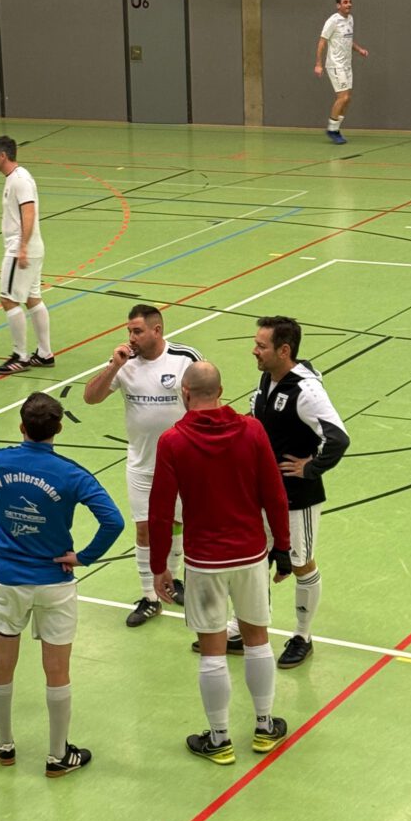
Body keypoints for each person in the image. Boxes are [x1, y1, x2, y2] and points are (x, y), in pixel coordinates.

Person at [149, 362, 292, 766]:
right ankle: (264, 727)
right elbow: (274, 494)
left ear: (185, 392)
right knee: (257, 638)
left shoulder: (172, 441)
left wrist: (160, 565)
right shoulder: (253, 430)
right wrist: (283, 548)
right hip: (250, 555)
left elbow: (160, 510)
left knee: (212, 650)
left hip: (204, 560)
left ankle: (220, 739)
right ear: (221, 390)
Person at [0, 393, 124, 776]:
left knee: (1, 665)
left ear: (21, 426)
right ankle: (58, 755)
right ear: (59, 428)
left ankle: (5, 745)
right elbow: (114, 521)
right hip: (55, 582)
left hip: (7, 581)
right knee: (57, 670)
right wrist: (85, 556)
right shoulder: (72, 475)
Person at [236, 315, 350, 669]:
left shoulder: (306, 391)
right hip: (261, 491)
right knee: (256, 557)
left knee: (301, 562)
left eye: (261, 346)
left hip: (297, 497)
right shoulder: (269, 377)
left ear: (284, 350)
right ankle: (249, 628)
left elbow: (338, 438)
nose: (254, 350)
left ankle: (303, 636)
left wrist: (310, 468)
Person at [83, 304, 202, 627]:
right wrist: (114, 367)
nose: (131, 337)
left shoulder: (185, 358)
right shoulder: (125, 363)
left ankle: (173, 579)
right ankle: (150, 597)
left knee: (178, 522)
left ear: (157, 330)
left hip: (183, 463)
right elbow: (91, 397)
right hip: (141, 462)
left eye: (137, 331)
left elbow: (206, 401)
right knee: (145, 528)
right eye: (129, 331)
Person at [0, 135, 53, 374]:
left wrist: (22, 247)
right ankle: (45, 354)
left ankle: (20, 356)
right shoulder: (15, 178)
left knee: (8, 299)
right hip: (31, 247)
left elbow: (29, 212)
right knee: (33, 298)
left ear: (3, 155)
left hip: (20, 248)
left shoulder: (20, 180)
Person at [314, 0, 368, 145]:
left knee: (347, 99)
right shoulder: (332, 21)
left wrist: (359, 49)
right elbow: (322, 42)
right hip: (335, 64)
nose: (349, 4)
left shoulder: (350, 19)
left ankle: (336, 128)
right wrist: (318, 64)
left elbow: (347, 40)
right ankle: (332, 130)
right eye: (345, 2)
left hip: (346, 64)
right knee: (342, 97)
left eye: (350, 2)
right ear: (338, 5)